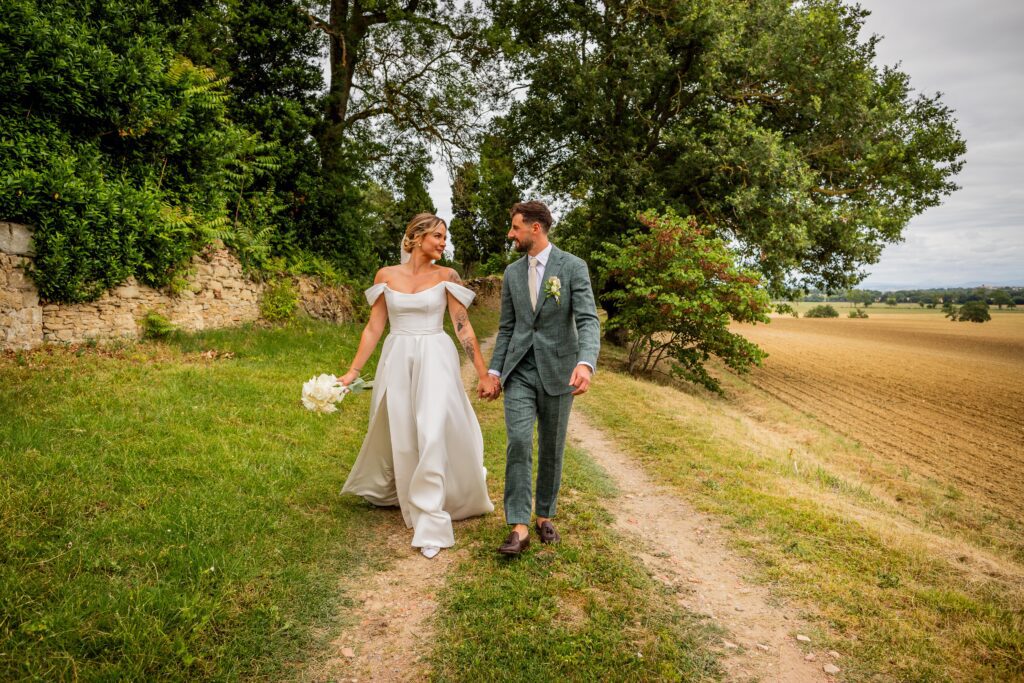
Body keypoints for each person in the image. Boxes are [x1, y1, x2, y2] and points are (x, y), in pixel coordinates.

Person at [340, 213, 497, 559]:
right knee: (405, 434)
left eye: (445, 237)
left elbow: (463, 328)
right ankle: (408, 492)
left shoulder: (447, 276)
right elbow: (373, 328)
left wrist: (484, 374)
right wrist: (353, 372)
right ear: (416, 237)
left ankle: (431, 521)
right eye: (438, 236)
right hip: (397, 356)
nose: (444, 242)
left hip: (435, 357)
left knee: (432, 430)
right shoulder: (386, 276)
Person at [481, 201, 600, 555]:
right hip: (520, 370)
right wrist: (494, 371)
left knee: (552, 446)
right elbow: (506, 329)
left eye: (515, 227)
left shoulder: (573, 267)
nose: (510, 234)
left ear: (535, 228)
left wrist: (585, 363)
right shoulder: (511, 274)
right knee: (519, 441)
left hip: (560, 370)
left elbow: (588, 320)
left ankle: (544, 514)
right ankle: (518, 525)